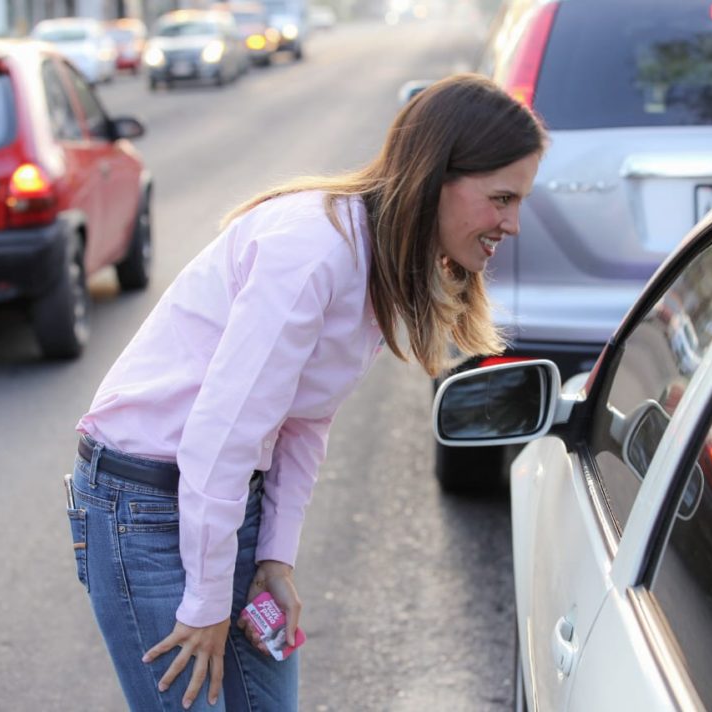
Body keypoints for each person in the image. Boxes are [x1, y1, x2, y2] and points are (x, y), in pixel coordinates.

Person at [63, 72, 546, 711]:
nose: (511, 224)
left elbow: (305, 420)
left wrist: (274, 559)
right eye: (502, 198)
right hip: (146, 504)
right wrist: (208, 600)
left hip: (225, 502)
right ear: (438, 178)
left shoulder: (381, 262)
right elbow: (224, 431)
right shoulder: (315, 249)